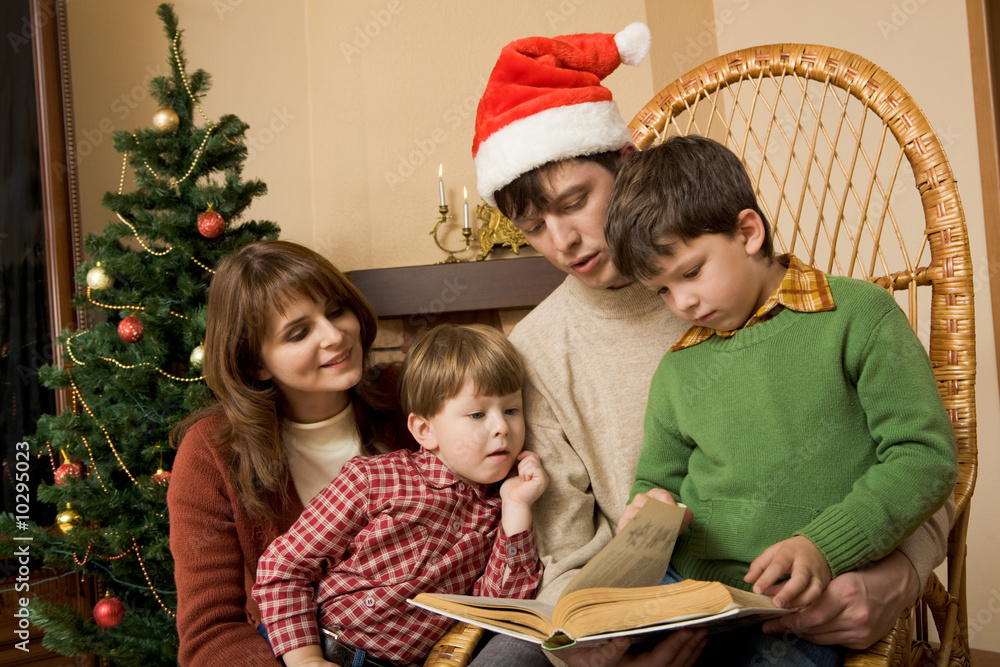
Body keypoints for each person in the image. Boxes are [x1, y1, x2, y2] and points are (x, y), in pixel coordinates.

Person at [467, 22, 954, 667]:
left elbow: (920, 460)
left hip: (790, 594)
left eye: (576, 201)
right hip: (640, 609)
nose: (563, 241)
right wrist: (589, 647)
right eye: (534, 227)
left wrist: (902, 570)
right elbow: (567, 548)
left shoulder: (775, 293)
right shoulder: (533, 351)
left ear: (626, 164)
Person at [605, 135, 957, 665]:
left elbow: (924, 458)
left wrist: (824, 546)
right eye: (661, 291)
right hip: (688, 592)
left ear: (748, 232)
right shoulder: (677, 370)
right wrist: (652, 508)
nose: (683, 303)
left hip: (794, 606)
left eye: (692, 272)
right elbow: (657, 481)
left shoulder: (860, 316)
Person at [168, 240, 414, 666]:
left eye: (336, 311)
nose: (335, 336)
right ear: (255, 364)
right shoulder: (211, 453)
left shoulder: (406, 397)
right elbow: (211, 634)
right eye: (299, 333)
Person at [253, 323, 547, 667]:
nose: (502, 427)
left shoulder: (498, 514)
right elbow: (284, 567)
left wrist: (516, 507)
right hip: (318, 646)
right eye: (478, 414)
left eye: (512, 410)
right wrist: (305, 660)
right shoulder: (373, 479)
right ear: (425, 430)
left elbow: (500, 608)